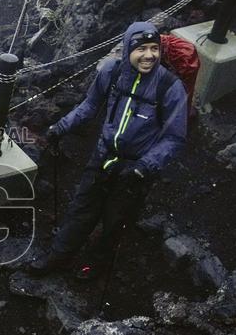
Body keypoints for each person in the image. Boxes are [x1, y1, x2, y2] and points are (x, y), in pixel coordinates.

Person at [29, 21, 187, 279]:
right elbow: (89, 106)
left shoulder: (170, 88)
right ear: (127, 50)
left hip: (135, 169)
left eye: (154, 48)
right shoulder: (111, 72)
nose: (149, 55)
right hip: (102, 156)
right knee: (82, 208)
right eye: (141, 49)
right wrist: (60, 128)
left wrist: (144, 167)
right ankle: (58, 257)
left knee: (115, 221)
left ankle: (95, 266)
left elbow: (175, 138)